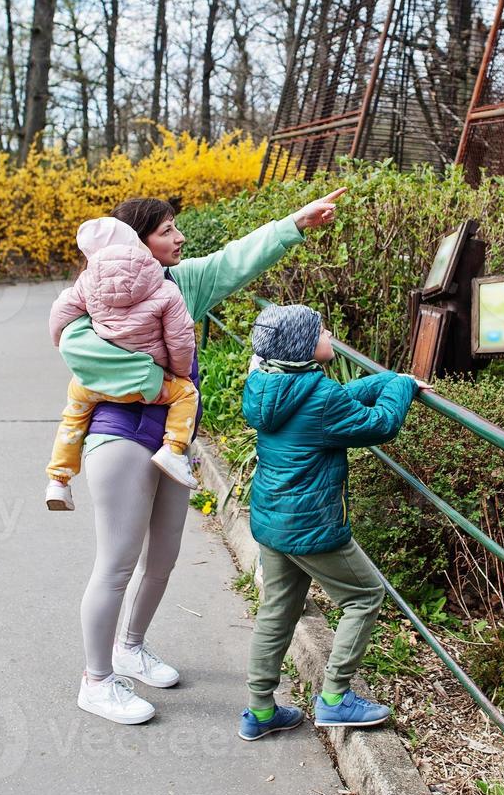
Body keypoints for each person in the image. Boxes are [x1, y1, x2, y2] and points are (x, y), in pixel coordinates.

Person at [53, 189, 345, 726]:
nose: (179, 237)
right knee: (116, 563)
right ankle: (95, 681)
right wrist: (154, 381)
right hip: (118, 433)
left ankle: (130, 648)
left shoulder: (180, 284)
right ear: (134, 244)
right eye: (166, 231)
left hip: (173, 440)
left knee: (162, 557)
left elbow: (235, 259)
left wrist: (293, 223)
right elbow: (74, 346)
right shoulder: (93, 292)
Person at [236, 302, 425, 741]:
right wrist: (400, 388)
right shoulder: (318, 397)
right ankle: (337, 699)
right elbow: (380, 424)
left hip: (273, 519)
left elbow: (338, 399)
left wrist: (393, 380)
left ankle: (260, 712)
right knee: (365, 594)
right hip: (311, 525)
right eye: (322, 332)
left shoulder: (270, 384)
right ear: (304, 347)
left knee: (278, 610)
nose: (330, 336)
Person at [45, 216, 201, 501]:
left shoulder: (87, 282)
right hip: (149, 384)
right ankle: (173, 450)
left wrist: (58, 339)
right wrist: (177, 371)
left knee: (73, 417)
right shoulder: (161, 283)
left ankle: (59, 479)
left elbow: (61, 312)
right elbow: (180, 337)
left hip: (95, 386)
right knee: (187, 395)